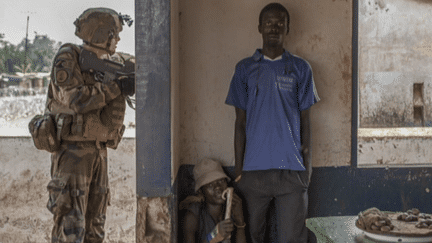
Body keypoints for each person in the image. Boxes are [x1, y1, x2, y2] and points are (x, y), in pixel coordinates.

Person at [225, 3, 320, 243]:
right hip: (253, 173)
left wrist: (306, 170)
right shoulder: (245, 69)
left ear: (288, 28)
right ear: (259, 27)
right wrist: (239, 171)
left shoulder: (300, 68)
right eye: (268, 22)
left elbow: (306, 123)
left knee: (292, 239)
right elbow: (239, 123)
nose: (274, 28)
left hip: (292, 172)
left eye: (280, 23)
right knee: (253, 236)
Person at [44, 8, 134, 243]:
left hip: (98, 151)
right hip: (72, 154)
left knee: (95, 230)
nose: (118, 40)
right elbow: (75, 100)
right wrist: (117, 88)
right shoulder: (68, 57)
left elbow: (134, 65)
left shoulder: (111, 61)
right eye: (115, 34)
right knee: (70, 229)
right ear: (102, 35)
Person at [180, 158, 247, 243]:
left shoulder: (233, 208)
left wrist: (240, 221)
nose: (218, 187)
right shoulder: (192, 217)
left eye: (221, 181)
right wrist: (213, 236)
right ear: (201, 191)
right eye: (210, 185)